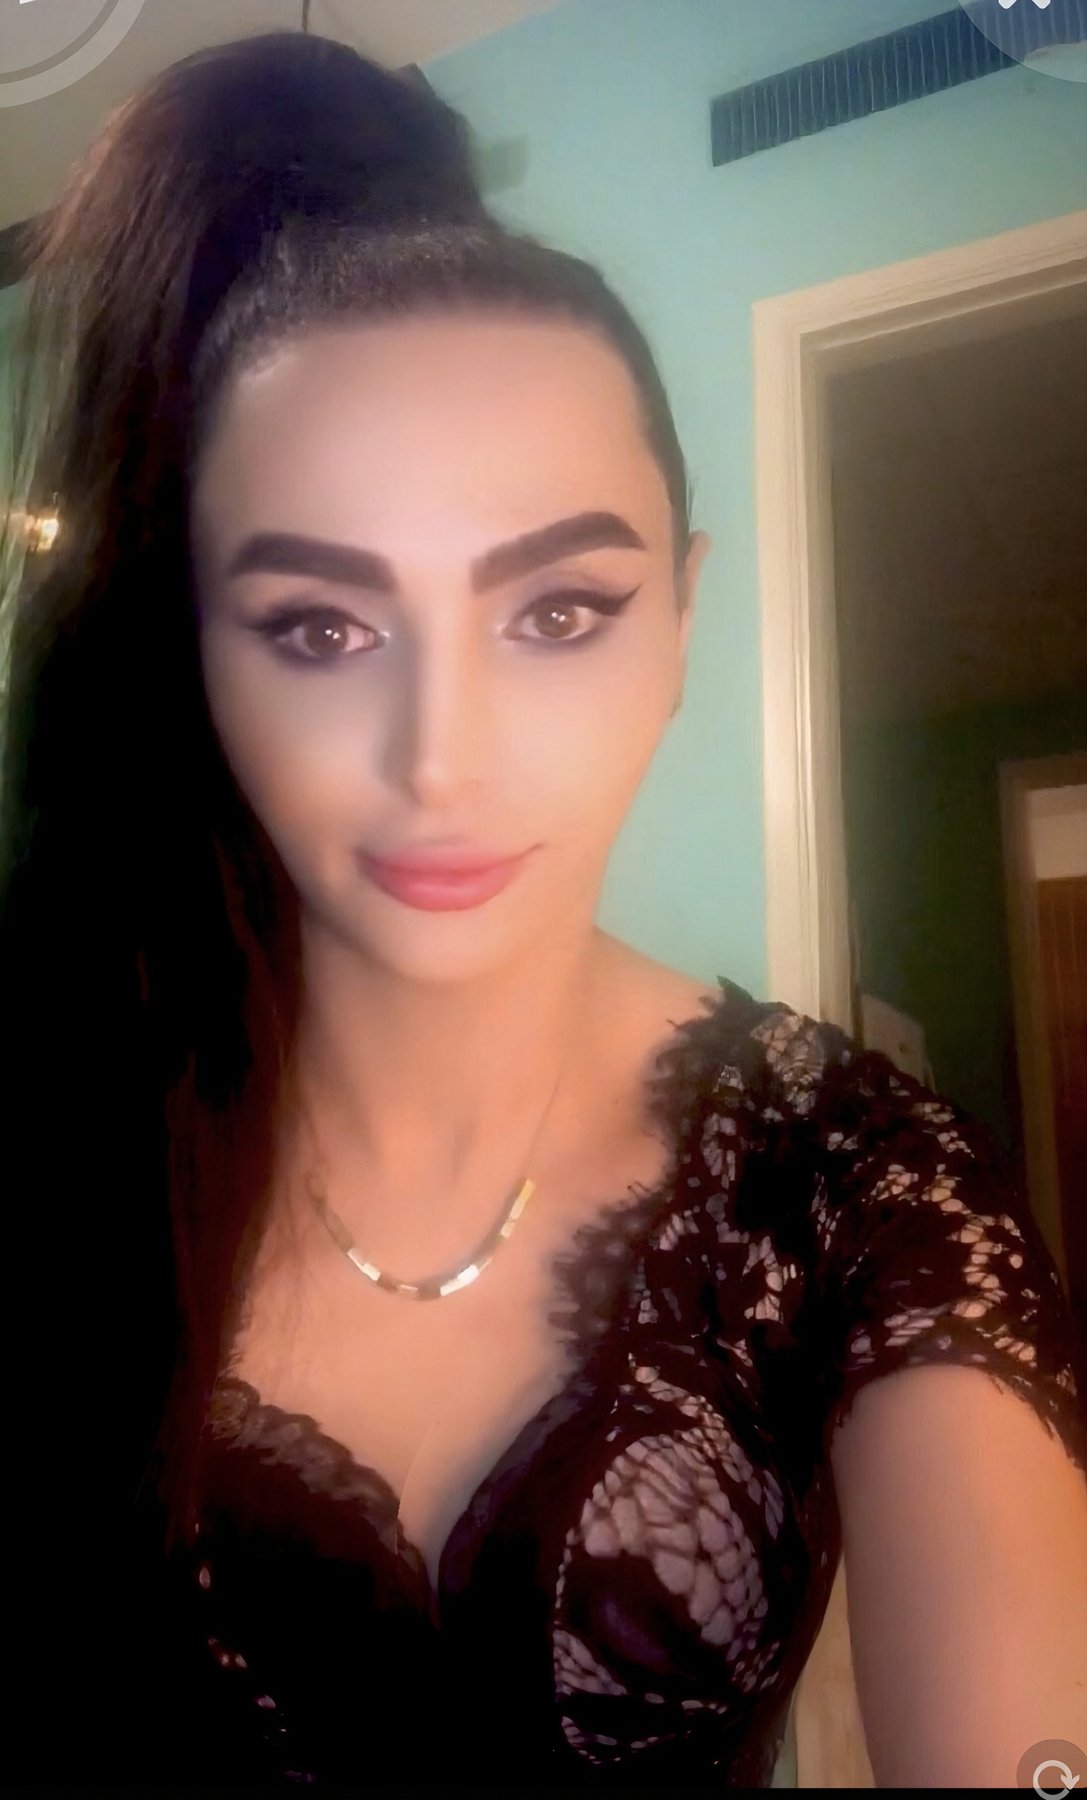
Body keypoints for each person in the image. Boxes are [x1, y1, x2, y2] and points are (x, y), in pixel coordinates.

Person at [1, 30, 1084, 1793]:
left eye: (560, 612)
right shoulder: (55, 1112)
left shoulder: (850, 1184)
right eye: (320, 628)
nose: (442, 759)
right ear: (200, 654)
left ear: (682, 624)